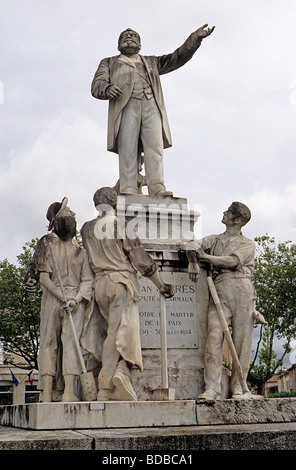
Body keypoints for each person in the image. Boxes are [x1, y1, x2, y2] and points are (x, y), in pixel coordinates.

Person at [91, 26, 215, 197]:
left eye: (133, 36)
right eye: (125, 36)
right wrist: (106, 88)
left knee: (154, 147)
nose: (129, 37)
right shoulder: (109, 62)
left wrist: (195, 39)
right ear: (118, 44)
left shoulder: (151, 62)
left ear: (140, 44)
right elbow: (97, 84)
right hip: (127, 106)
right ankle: (128, 187)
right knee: (128, 147)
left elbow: (177, 57)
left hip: (151, 106)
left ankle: (157, 187)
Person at [81, 187, 174, 401]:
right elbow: (142, 261)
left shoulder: (86, 229)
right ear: (115, 204)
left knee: (115, 334)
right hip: (120, 283)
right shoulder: (121, 226)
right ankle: (106, 386)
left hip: (100, 284)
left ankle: (120, 373)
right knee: (117, 334)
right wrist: (161, 285)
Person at [185, 202, 259, 399]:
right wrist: (193, 261)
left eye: (228, 212)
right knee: (214, 336)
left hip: (242, 289)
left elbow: (233, 261)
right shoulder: (214, 240)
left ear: (237, 219)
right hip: (219, 288)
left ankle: (238, 388)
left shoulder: (247, 243)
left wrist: (206, 258)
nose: (224, 213)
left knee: (241, 341)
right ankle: (212, 387)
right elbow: (190, 244)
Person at [26, 198, 94, 402]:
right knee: (70, 345)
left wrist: (66, 297)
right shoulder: (78, 250)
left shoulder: (63, 247)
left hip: (54, 299)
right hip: (72, 301)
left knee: (48, 344)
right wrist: (74, 299)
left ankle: (48, 393)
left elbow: (44, 279)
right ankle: (68, 393)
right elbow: (87, 281)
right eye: (70, 212)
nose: (73, 214)